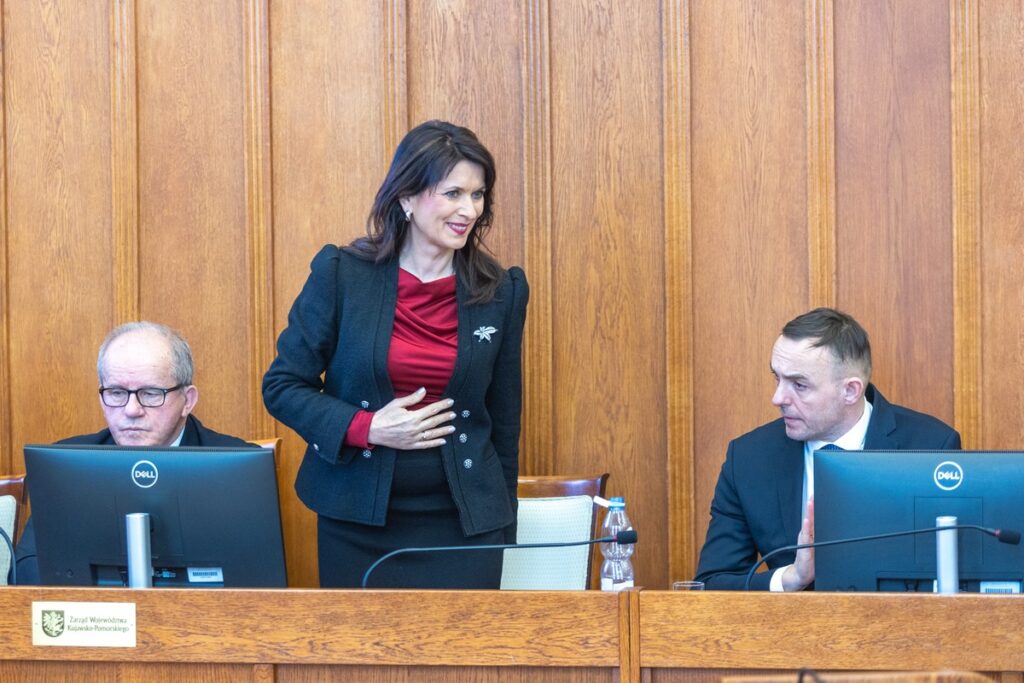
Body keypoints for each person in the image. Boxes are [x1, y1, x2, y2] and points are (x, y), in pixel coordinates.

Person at [263, 120, 528, 589]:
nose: (468, 209)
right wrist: (368, 428)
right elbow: (283, 386)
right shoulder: (342, 274)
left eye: (478, 194)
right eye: (452, 193)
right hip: (358, 526)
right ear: (406, 197)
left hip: (466, 529)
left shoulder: (501, 291)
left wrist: (501, 525)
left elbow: (504, 422)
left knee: (464, 662)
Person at [695, 307, 961, 591]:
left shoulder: (930, 447)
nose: (778, 398)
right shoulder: (749, 458)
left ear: (850, 390)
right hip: (791, 631)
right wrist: (792, 577)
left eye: (799, 384)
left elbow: (954, 580)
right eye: (777, 378)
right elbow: (713, 584)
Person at [14, 321, 252, 584]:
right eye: (116, 393)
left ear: (188, 400)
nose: (131, 410)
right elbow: (28, 571)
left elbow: (258, 577)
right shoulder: (64, 466)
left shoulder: (238, 467)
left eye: (150, 393)